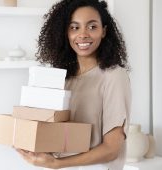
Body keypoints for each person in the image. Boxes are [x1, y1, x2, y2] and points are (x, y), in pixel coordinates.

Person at [16, 0, 131, 169]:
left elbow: (111, 149)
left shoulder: (113, 76)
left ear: (104, 31)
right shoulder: (64, 78)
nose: (83, 34)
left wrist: (57, 164)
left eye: (92, 27)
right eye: (74, 27)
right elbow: (58, 134)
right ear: (65, 32)